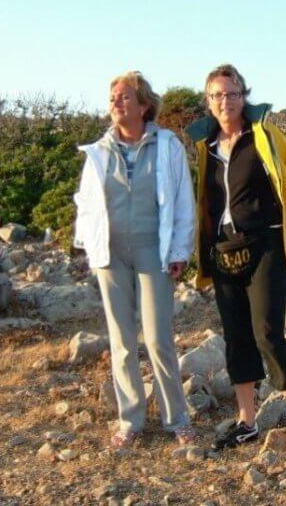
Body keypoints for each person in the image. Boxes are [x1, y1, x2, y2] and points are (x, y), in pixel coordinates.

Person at [185, 64, 286, 458]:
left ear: (243, 96)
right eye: (216, 95)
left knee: (267, 333)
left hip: (266, 243)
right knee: (236, 335)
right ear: (208, 101)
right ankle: (247, 422)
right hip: (223, 250)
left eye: (231, 94)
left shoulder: (264, 137)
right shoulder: (207, 146)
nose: (224, 102)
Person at [73, 71, 196, 447]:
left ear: (144, 105)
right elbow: (86, 203)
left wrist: (179, 250)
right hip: (111, 254)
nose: (116, 103)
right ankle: (130, 421)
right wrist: (89, 247)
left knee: (159, 338)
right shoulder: (98, 151)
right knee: (122, 339)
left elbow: (182, 201)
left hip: (152, 250)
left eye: (125, 97)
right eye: (113, 97)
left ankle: (178, 419)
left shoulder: (167, 146)